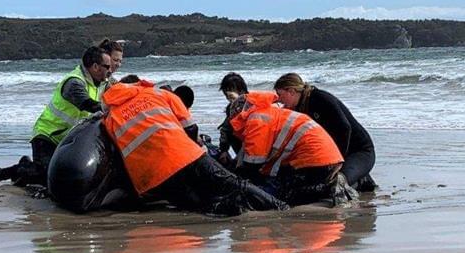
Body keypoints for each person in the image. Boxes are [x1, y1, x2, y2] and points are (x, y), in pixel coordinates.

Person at [101, 79, 289, 216]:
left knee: (199, 205)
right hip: (184, 155)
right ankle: (279, 208)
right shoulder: (156, 93)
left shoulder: (110, 119)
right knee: (233, 183)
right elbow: (190, 127)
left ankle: (232, 210)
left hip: (153, 178)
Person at [0, 46, 112, 189]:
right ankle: (6, 172)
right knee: (48, 176)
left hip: (66, 140)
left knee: (65, 178)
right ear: (95, 67)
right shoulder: (74, 82)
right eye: (108, 66)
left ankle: (27, 171)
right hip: (47, 135)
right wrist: (110, 108)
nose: (111, 70)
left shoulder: (101, 83)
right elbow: (88, 104)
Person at [228, 91, 357, 207]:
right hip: (326, 158)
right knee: (280, 183)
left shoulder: (256, 121)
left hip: (314, 160)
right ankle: (333, 184)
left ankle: (328, 188)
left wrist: (234, 182)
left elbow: (253, 166)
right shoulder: (268, 113)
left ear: (238, 116)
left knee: (285, 195)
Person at [274, 73, 376, 192]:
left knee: (337, 183)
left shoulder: (319, 98)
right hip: (336, 153)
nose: (278, 99)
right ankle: (359, 178)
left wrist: (337, 161)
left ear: (291, 91)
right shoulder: (297, 107)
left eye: (280, 95)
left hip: (359, 151)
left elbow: (345, 128)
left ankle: (361, 179)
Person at [217, 72, 249, 167]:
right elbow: (226, 129)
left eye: (230, 90)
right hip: (240, 145)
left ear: (242, 90)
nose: (227, 95)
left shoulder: (252, 104)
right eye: (226, 92)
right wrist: (224, 150)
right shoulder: (230, 108)